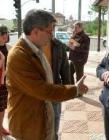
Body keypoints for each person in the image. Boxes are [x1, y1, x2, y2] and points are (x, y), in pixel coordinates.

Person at [6, 9, 88, 140]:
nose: (52, 35)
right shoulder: (19, 55)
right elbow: (41, 90)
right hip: (28, 128)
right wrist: (74, 90)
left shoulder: (36, 49)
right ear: (36, 32)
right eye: (50, 31)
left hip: (41, 121)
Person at [42, 38, 71, 139]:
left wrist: (68, 89)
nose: (52, 29)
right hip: (38, 90)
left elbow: (65, 67)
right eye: (50, 26)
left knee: (56, 118)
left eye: (54, 26)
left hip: (55, 88)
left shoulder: (58, 45)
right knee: (41, 121)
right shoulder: (33, 44)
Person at [0, 25, 11, 140]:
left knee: (2, 108)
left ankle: (0, 127)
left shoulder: (10, 47)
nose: (5, 35)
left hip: (6, 83)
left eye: (6, 33)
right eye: (2, 33)